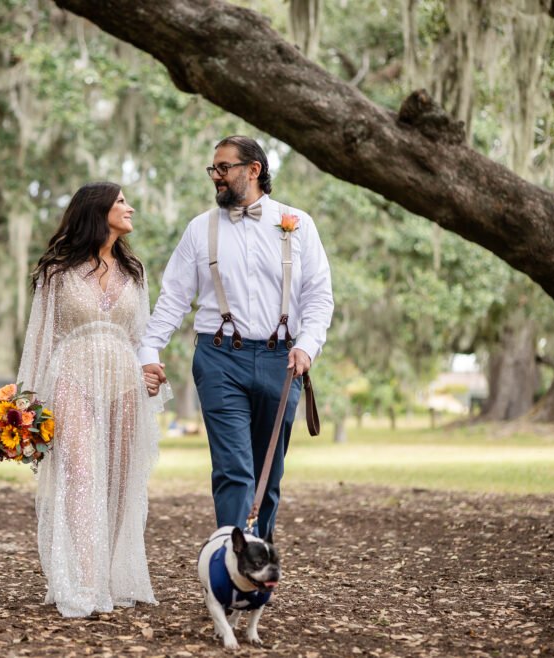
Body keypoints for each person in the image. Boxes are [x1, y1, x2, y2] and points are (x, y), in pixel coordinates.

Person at [138, 135, 333, 543]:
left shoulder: (299, 224)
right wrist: (149, 348)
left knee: (268, 473)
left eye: (223, 168)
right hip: (219, 358)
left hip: (283, 360)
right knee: (234, 469)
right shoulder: (200, 229)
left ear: (254, 170)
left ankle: (256, 565)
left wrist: (307, 345)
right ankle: (230, 565)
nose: (216, 177)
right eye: (214, 169)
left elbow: (318, 295)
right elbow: (174, 296)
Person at [17, 182, 170, 618]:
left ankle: (105, 574)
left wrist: (149, 372)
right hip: (72, 376)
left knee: (121, 479)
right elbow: (39, 339)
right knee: (81, 476)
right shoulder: (57, 271)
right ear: (97, 210)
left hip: (123, 379)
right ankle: (84, 582)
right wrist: (24, 405)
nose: (130, 207)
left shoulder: (134, 271)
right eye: (122, 201)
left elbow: (142, 337)